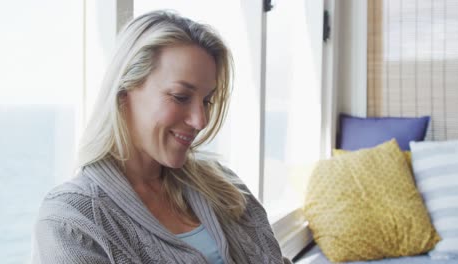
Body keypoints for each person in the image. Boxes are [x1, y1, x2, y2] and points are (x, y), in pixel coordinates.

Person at [31, 10, 291, 264]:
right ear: (124, 91)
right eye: (180, 97)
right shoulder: (70, 221)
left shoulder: (224, 185)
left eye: (207, 101)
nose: (200, 121)